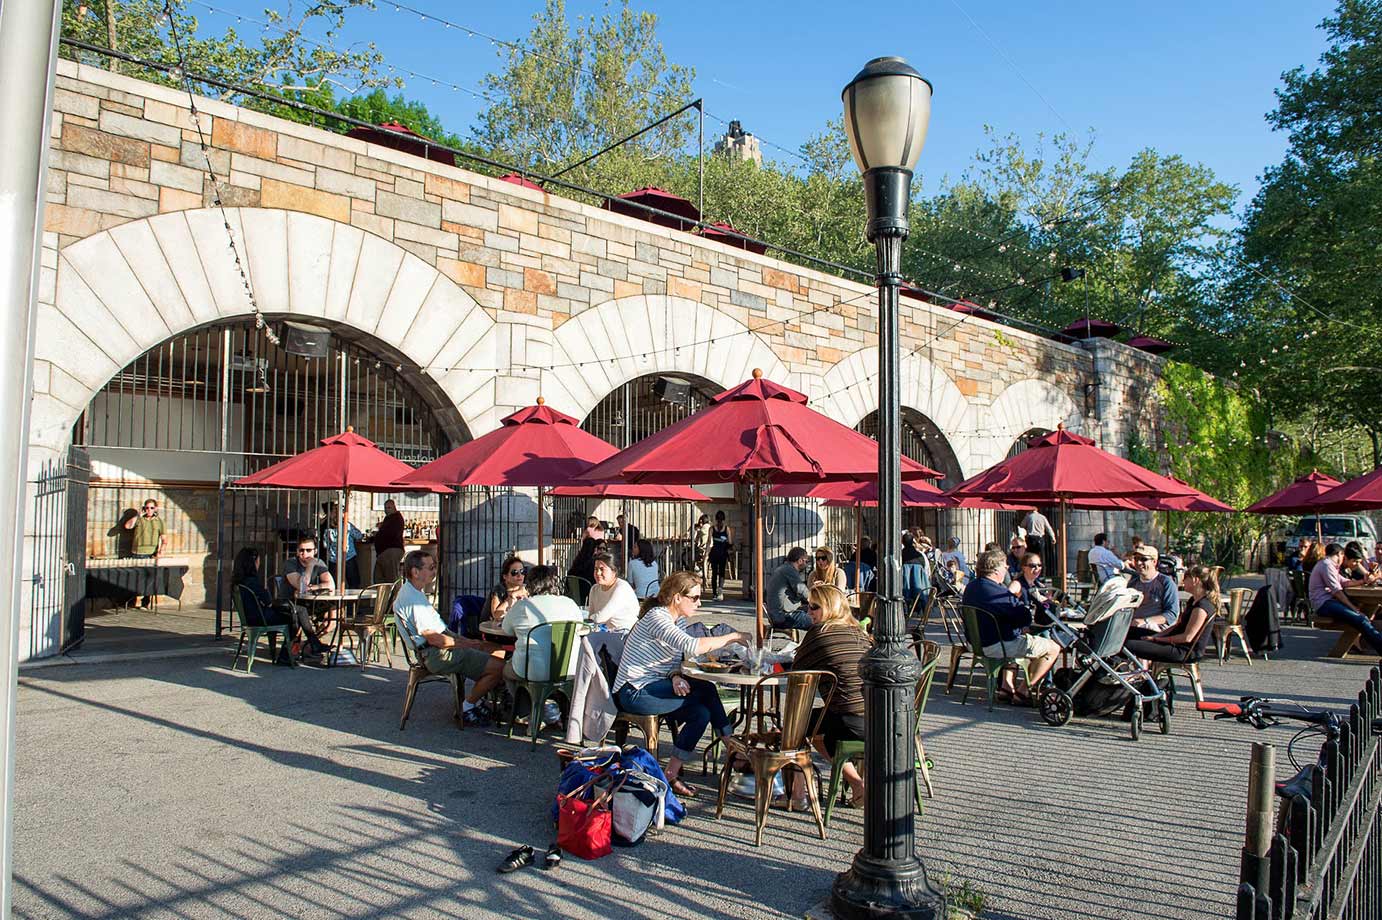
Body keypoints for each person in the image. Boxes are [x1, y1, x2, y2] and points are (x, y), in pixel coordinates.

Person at [611, 571, 752, 797]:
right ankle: (733, 749)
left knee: (702, 713)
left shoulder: (679, 620)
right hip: (634, 691)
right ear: (677, 597)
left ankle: (671, 774)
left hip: (654, 685)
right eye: (694, 598)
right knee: (706, 689)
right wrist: (732, 637)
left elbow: (678, 658)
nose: (699, 603)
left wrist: (675, 675)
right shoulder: (657, 616)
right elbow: (692, 646)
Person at [393, 549, 506, 725]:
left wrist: (471, 643)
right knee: (500, 667)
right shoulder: (412, 599)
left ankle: (485, 699)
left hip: (438, 647)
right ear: (415, 572)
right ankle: (467, 707)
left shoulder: (413, 592)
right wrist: (467, 644)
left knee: (497, 651)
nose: (434, 571)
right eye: (430, 567)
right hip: (436, 653)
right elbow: (434, 639)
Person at [791, 584, 872, 809]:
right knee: (820, 728)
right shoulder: (859, 631)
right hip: (879, 716)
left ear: (830, 607)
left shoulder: (820, 633)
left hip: (852, 718)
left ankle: (799, 794)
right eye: (808, 606)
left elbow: (797, 672)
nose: (809, 612)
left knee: (797, 724)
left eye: (814, 607)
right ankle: (856, 783)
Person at [962, 549, 1060, 702]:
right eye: (1004, 566)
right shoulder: (998, 592)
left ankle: (1007, 688)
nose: (1007, 569)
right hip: (995, 645)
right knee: (1053, 648)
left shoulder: (971, 587)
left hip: (975, 643)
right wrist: (1020, 601)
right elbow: (1024, 618)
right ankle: (1023, 692)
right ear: (996, 570)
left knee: (1017, 637)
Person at [231, 546, 327, 662]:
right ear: (253, 562)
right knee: (295, 616)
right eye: (258, 560)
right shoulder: (252, 581)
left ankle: (310, 644)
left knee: (297, 611)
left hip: (251, 617)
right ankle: (289, 653)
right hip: (260, 618)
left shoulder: (240, 581)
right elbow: (268, 601)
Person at [501, 564, 585, 684]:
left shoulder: (523, 605)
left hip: (531, 671)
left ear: (529, 585)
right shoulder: (569, 603)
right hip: (569, 669)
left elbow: (506, 630)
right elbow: (580, 626)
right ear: (553, 583)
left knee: (506, 670)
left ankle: (522, 699)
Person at [1126, 565, 1220, 667]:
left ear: (1195, 580)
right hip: (1175, 643)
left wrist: (1156, 640)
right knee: (1130, 632)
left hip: (1184, 651)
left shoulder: (1202, 607)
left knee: (1127, 645)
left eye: (1185, 579)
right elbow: (1177, 626)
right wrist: (1157, 635)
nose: (1182, 582)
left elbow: (1187, 637)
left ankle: (1136, 676)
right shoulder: (1193, 601)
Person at [1308, 543, 1382, 655]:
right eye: (1343, 556)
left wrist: (1363, 581)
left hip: (1327, 602)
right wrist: (1354, 609)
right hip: (1324, 604)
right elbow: (1337, 591)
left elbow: (1344, 582)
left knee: (1362, 619)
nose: (1343, 559)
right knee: (1360, 619)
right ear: (1339, 554)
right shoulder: (1326, 565)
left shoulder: (1329, 565)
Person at [1126, 545, 1181, 638]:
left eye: (1143, 559)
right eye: (1136, 559)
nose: (1139, 563)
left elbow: (1172, 614)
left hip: (1155, 631)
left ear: (1154, 562)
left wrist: (1145, 621)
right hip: (1132, 627)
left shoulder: (1165, 582)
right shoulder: (1133, 583)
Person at [122, 498, 166, 607]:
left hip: (150, 553)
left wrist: (160, 552)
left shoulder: (159, 521)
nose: (149, 510)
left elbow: (164, 539)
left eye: (151, 508)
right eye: (147, 508)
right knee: (135, 578)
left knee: (148, 579)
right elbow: (127, 526)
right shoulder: (139, 520)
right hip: (136, 552)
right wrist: (138, 514)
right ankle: (131, 601)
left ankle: (145, 602)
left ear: (155, 508)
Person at [587, 551, 640, 631]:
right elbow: (591, 619)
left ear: (614, 571)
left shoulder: (622, 588)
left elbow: (600, 618)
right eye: (596, 569)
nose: (598, 573)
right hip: (605, 633)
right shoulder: (594, 589)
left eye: (602, 569)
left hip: (625, 634)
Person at [766, 547, 812, 631]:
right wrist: (817, 599)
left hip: (777, 614)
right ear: (800, 561)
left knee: (811, 611)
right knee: (818, 622)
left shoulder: (783, 568)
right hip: (783, 617)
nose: (806, 564)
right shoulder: (789, 570)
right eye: (806, 561)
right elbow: (802, 590)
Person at [320, 502, 363, 589]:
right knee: (353, 583)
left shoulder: (327, 528)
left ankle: (336, 602)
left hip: (335, 559)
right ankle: (351, 602)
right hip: (347, 557)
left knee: (334, 585)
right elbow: (359, 536)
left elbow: (325, 545)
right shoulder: (347, 525)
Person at [1010, 552, 1056, 626]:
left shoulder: (1039, 585)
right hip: (1025, 627)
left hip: (1040, 625)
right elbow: (1006, 600)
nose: (1037, 568)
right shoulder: (1017, 584)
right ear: (1024, 567)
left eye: (1039, 565)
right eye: (1033, 566)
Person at [372, 499, 406, 583]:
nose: (387, 510)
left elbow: (390, 533)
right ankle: (384, 595)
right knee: (379, 578)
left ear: (394, 507)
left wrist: (379, 531)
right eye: (385, 508)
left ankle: (396, 595)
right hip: (384, 552)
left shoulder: (396, 518)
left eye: (389, 507)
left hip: (391, 550)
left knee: (391, 578)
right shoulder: (389, 518)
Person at [486, 555, 528, 622]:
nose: (519, 575)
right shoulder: (499, 590)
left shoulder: (526, 588)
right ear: (505, 576)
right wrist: (513, 596)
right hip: (494, 630)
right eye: (514, 572)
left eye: (522, 571)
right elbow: (496, 616)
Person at [567, 536, 602, 603]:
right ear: (594, 549)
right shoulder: (593, 563)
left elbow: (570, 574)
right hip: (588, 593)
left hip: (575, 593)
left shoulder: (577, 561)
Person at [901, 530, 929, 614]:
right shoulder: (920, 555)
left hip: (904, 589)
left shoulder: (900, 555)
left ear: (903, 542)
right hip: (919, 588)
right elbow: (925, 569)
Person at [709, 511, 732, 601]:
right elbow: (730, 542)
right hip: (723, 553)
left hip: (714, 552)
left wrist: (706, 554)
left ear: (715, 518)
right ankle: (720, 590)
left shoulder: (712, 529)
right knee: (721, 573)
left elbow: (708, 542)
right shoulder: (726, 529)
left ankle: (714, 593)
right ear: (724, 519)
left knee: (714, 573)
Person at [692, 514, 712, 584]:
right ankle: (702, 573)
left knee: (691, 556)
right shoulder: (710, 527)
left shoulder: (702, 528)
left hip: (704, 550)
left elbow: (695, 540)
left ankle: (699, 574)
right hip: (712, 549)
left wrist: (696, 530)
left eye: (701, 522)